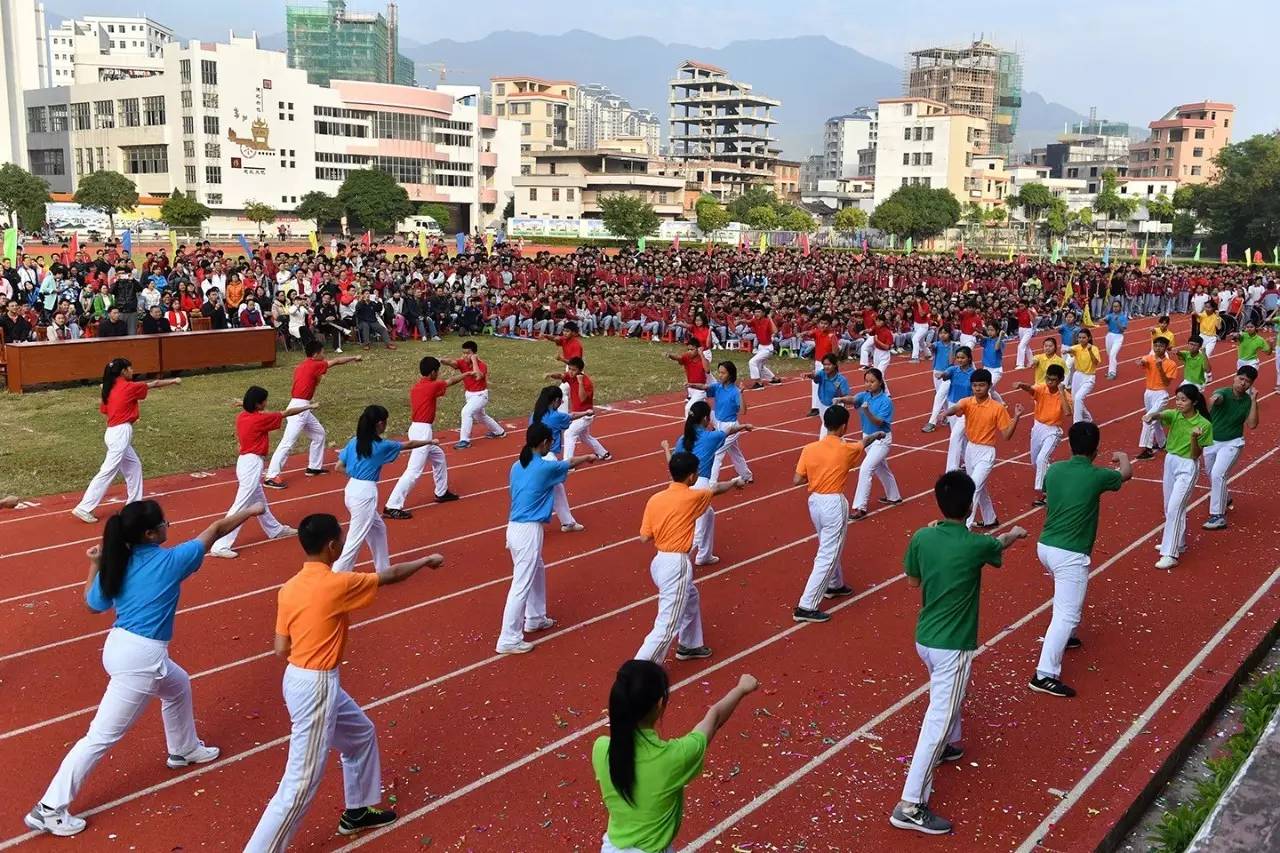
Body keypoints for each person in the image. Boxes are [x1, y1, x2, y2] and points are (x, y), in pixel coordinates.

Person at [25, 499, 266, 837]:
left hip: (121, 647)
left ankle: (183, 749)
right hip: (141, 660)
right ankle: (49, 808)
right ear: (151, 534)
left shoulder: (118, 562)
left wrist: (95, 564)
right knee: (100, 736)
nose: (169, 527)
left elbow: (93, 605)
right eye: (165, 524)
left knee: (178, 686)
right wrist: (251, 511)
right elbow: (216, 531)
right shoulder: (171, 561)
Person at [244, 514, 444, 850]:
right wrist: (425, 561)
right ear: (332, 546)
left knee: (360, 735)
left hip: (296, 677)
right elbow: (390, 575)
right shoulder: (336, 584)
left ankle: (357, 811)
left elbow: (281, 647)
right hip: (317, 684)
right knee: (299, 783)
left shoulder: (289, 587)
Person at [891, 471, 1027, 836]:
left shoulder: (921, 536)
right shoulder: (975, 545)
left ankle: (951, 743)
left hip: (925, 638)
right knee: (937, 717)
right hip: (953, 644)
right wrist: (1014, 534)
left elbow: (912, 582)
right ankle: (911, 804)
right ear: (970, 507)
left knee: (948, 698)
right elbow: (999, 544)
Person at [592, 661, 758, 853]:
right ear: (660, 704)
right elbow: (714, 719)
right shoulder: (673, 758)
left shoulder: (601, 749)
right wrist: (741, 689)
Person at [1029, 422, 1131, 698]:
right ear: (1096, 450)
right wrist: (1122, 457)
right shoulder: (1097, 476)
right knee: (1066, 613)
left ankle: (1067, 637)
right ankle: (1044, 674)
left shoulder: (1054, 470)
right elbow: (1124, 475)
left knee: (1065, 600)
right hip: (1070, 553)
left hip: (1046, 547)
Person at [497, 423, 598, 654]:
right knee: (521, 584)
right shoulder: (543, 467)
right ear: (544, 443)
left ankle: (535, 617)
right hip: (527, 530)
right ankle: (508, 638)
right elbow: (568, 463)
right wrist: (588, 458)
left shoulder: (516, 465)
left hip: (515, 527)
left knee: (537, 570)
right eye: (550, 442)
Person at [634, 452, 745, 661]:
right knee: (666, 625)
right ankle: (638, 669)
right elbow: (715, 489)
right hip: (676, 564)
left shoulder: (655, 499)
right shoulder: (694, 496)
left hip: (659, 562)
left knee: (691, 598)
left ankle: (689, 645)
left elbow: (644, 537)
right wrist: (735, 482)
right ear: (692, 476)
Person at [792, 406, 883, 622]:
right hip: (833, 503)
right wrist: (877, 434)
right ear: (844, 427)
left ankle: (835, 585)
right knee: (827, 553)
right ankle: (806, 605)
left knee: (826, 544)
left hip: (814, 501)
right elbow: (863, 443)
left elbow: (797, 480)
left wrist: (816, 476)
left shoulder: (809, 448)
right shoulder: (846, 449)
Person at [210, 387, 316, 558]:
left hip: (245, 462)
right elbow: (286, 412)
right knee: (241, 505)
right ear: (258, 404)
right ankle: (220, 544)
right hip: (252, 463)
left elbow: (263, 413)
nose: (267, 403)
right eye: (264, 401)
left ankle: (275, 529)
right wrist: (308, 406)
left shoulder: (243, 416)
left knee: (259, 500)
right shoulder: (259, 420)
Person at [72, 359, 182, 524]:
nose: (132, 371)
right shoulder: (128, 387)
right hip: (120, 432)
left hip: (112, 432)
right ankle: (85, 507)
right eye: (130, 368)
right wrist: (174, 381)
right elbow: (154, 383)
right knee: (108, 470)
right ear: (123, 371)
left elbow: (105, 410)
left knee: (134, 465)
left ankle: (134, 503)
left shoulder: (109, 388)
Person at [332, 406, 436, 574]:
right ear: (380, 424)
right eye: (386, 422)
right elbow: (409, 444)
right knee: (355, 539)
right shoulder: (381, 445)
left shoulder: (354, 441)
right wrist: (430, 441)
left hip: (351, 489)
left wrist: (357, 474)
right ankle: (337, 575)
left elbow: (338, 466)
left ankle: (383, 568)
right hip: (365, 494)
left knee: (379, 528)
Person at [263, 341, 362, 489]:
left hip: (301, 406)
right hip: (300, 407)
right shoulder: (315, 364)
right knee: (287, 443)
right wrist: (354, 357)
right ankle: (271, 476)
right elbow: (336, 361)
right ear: (316, 354)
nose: (324, 356)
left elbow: (312, 381)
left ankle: (313, 467)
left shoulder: (303, 365)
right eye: (322, 353)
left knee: (318, 434)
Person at [943, 369, 1024, 529]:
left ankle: (964, 526)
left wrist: (1016, 417)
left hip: (987, 452)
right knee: (980, 487)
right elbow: (956, 407)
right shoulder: (967, 402)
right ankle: (990, 518)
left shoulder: (997, 408)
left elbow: (1007, 435)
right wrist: (946, 413)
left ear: (989, 386)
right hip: (971, 450)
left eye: (981, 385)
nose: (978, 388)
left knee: (973, 487)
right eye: (975, 385)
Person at [382, 357, 461, 520]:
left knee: (438, 456)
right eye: (437, 371)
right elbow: (451, 381)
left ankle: (441, 491)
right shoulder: (432, 386)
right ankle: (392, 505)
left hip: (417, 428)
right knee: (413, 471)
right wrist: (466, 374)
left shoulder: (417, 386)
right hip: (422, 432)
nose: (438, 374)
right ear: (433, 372)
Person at [1144, 385, 1213, 570]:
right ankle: (1178, 542)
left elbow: (1195, 455)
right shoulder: (1175, 415)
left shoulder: (1204, 425)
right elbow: (1161, 415)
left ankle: (1170, 554)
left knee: (1175, 507)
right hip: (1170, 461)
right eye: (1178, 399)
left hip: (1187, 466)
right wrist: (1152, 415)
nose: (1179, 403)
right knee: (1169, 506)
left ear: (1194, 402)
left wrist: (1193, 437)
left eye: (1183, 400)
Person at [530, 385, 595, 532]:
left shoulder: (535, 415)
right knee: (543, 492)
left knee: (557, 489)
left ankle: (568, 522)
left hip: (531, 455)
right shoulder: (554, 416)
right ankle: (531, 523)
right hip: (548, 458)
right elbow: (570, 417)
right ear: (556, 401)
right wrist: (586, 412)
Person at [1202, 366, 1259, 531]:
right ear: (1235, 377)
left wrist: (1254, 400)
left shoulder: (1248, 401)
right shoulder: (1223, 392)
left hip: (1233, 443)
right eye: (1241, 379)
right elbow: (1217, 398)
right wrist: (1212, 401)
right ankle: (1225, 497)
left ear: (1251, 384)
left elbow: (1252, 424)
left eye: (1247, 381)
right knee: (1211, 473)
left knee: (1217, 474)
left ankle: (1217, 515)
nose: (1243, 383)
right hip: (1212, 441)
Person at [1014, 364, 1072, 506]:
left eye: (1053, 380)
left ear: (1060, 380)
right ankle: (1058, 477)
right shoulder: (1042, 388)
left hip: (1053, 431)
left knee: (1042, 459)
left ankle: (1045, 491)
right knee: (1035, 462)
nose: (1049, 382)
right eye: (1048, 379)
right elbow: (1031, 389)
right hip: (1038, 427)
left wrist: (1062, 392)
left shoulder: (1065, 395)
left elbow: (1067, 412)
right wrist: (1022, 385)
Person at [848, 367, 900, 519]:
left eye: (872, 381)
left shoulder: (886, 401)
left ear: (880, 382)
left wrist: (867, 411)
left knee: (866, 468)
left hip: (881, 440)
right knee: (881, 468)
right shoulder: (864, 396)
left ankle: (860, 507)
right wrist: (840, 398)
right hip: (868, 438)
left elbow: (878, 422)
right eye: (866, 381)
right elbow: (852, 399)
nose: (868, 384)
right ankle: (894, 496)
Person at [443, 340, 507, 449]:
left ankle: (465, 440)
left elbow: (478, 376)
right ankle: (499, 432)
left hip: (480, 395)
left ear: (474, 354)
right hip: (469, 395)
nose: (465, 356)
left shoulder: (482, 365)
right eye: (463, 353)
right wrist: (442, 360)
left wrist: (474, 361)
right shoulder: (462, 362)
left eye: (468, 353)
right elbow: (453, 363)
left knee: (466, 412)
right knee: (481, 416)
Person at [701, 361, 753, 486]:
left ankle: (711, 483)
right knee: (735, 451)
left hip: (731, 427)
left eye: (723, 373)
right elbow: (704, 388)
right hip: (718, 424)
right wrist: (691, 384)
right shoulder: (718, 387)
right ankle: (746, 475)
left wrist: (741, 394)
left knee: (717, 452)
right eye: (719, 372)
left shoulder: (735, 392)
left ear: (730, 375)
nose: (720, 375)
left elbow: (743, 411)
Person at [548, 357, 611, 461]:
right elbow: (561, 376)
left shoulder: (587, 383)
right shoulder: (570, 376)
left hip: (586, 415)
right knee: (585, 437)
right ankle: (604, 454)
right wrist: (551, 375)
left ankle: (568, 463)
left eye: (574, 370)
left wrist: (580, 382)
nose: (571, 372)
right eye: (570, 369)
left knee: (569, 434)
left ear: (580, 370)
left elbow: (582, 398)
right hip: (578, 414)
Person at [1135, 338, 1179, 460]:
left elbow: (1166, 382)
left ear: (1165, 348)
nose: (1157, 348)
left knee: (1148, 419)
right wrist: (1141, 362)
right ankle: (1162, 443)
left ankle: (1147, 449)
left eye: (1161, 346)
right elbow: (1144, 361)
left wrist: (1160, 368)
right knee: (1156, 421)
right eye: (1155, 345)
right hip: (1148, 393)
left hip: (1161, 394)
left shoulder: (1171, 364)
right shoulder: (1149, 358)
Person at [936, 346, 975, 471]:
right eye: (958, 357)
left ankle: (951, 469)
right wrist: (942, 374)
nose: (960, 360)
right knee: (961, 437)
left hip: (966, 408)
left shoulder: (973, 374)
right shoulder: (953, 369)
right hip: (953, 406)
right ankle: (969, 461)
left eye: (962, 358)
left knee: (955, 436)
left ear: (969, 359)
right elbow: (946, 375)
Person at [805, 314, 844, 414]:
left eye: (826, 324)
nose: (823, 326)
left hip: (829, 363)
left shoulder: (832, 336)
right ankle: (815, 407)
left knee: (831, 384)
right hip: (818, 362)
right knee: (815, 383)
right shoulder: (817, 332)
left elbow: (835, 352)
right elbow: (808, 333)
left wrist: (833, 364)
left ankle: (840, 400)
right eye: (821, 323)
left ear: (830, 325)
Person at [1065, 329, 1102, 423]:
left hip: (1089, 377)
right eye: (1079, 338)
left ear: (1089, 338)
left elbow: (1095, 362)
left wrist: (1089, 351)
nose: (1081, 340)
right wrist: (1066, 350)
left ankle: (1077, 423)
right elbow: (1070, 350)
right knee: (1075, 400)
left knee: (1078, 398)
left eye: (1084, 337)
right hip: (1077, 376)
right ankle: (1087, 418)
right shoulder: (1077, 347)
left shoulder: (1094, 348)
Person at [810, 353, 851, 438]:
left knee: (831, 428)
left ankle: (824, 445)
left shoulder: (841, 380)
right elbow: (816, 379)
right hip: (822, 404)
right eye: (824, 364)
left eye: (829, 364)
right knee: (827, 426)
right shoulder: (822, 373)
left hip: (835, 406)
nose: (826, 367)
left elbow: (846, 396)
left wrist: (839, 395)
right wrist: (811, 375)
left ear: (835, 365)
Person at [923, 327, 955, 433]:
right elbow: (933, 347)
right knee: (943, 397)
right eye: (941, 333)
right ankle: (948, 417)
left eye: (945, 333)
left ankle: (932, 422)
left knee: (939, 396)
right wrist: (929, 345)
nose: (942, 335)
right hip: (936, 373)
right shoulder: (937, 344)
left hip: (948, 374)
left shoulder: (954, 345)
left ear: (950, 334)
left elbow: (951, 362)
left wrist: (951, 348)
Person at [667, 340, 708, 416]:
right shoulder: (686, 357)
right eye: (688, 349)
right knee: (702, 409)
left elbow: (707, 370)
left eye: (692, 350)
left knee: (688, 408)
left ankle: (688, 426)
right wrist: (670, 355)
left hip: (700, 390)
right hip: (691, 390)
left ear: (698, 349)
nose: (689, 351)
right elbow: (678, 358)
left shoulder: (703, 359)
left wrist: (701, 354)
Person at [746, 306, 780, 389]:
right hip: (761, 347)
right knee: (760, 366)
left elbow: (775, 331)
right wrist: (740, 321)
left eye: (759, 312)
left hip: (768, 348)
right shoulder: (755, 320)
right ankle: (774, 379)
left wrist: (770, 318)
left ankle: (759, 382)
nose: (757, 314)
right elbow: (748, 321)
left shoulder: (767, 321)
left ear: (763, 313)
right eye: (755, 312)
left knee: (752, 362)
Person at [1102, 299, 1129, 379]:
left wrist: (1117, 322)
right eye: (1114, 306)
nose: (1115, 308)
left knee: (1113, 354)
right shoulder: (1110, 315)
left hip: (1118, 337)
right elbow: (1106, 320)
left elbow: (1122, 330)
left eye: (1117, 306)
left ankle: (1112, 372)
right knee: (1109, 354)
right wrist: (1105, 320)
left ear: (1120, 307)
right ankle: (1111, 370)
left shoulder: (1123, 317)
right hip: (1109, 336)